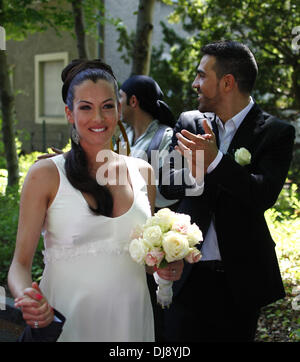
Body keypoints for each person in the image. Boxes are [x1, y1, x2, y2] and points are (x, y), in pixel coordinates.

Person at [8, 59, 183, 342]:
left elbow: (145, 260)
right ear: (69, 113)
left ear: (119, 108)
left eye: (107, 106)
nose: (98, 119)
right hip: (69, 321)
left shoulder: (143, 172)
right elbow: (19, 265)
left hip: (131, 320)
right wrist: (28, 297)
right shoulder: (46, 175)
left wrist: (166, 265)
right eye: (86, 107)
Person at [158, 40, 295, 342]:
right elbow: (167, 183)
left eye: (201, 75)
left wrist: (216, 161)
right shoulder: (188, 123)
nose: (195, 83)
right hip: (188, 276)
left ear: (227, 82)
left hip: (240, 282)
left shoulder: (276, 132)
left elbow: (262, 195)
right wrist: (199, 171)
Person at [119, 75, 179, 211]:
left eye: (120, 97)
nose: (117, 104)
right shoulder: (124, 137)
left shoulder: (165, 137)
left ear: (133, 101)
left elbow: (168, 191)